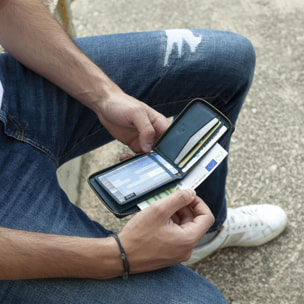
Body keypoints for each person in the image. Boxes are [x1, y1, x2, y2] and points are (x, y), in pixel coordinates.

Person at [0, 0, 287, 303]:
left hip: (12, 97)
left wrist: (105, 96)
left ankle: (202, 234)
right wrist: (118, 256)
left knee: (230, 60)